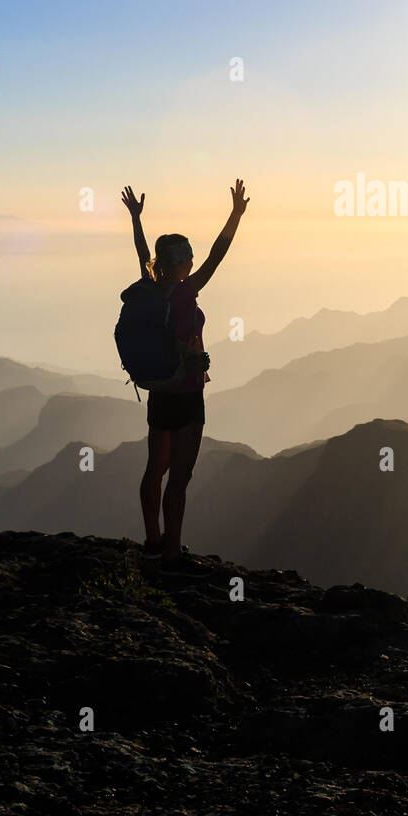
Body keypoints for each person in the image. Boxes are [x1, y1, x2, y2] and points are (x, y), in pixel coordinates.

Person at [120, 179, 249, 565]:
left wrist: (136, 220)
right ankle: (173, 555)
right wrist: (235, 216)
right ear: (183, 262)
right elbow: (217, 256)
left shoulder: (152, 286)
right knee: (179, 479)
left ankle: (154, 541)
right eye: (188, 258)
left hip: (160, 390)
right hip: (188, 391)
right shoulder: (185, 291)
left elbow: (144, 254)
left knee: (154, 470)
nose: (193, 263)